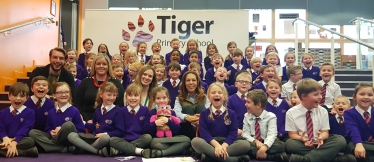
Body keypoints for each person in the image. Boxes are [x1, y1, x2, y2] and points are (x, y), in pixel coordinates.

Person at [285, 78, 355, 162]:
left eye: (320, 94)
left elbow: (325, 132)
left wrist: (321, 137)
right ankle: (332, 158)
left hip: (321, 144)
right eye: (316, 94)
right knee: (290, 144)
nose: (320, 97)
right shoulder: (291, 112)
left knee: (340, 140)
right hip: (302, 143)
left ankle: (305, 159)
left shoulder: (322, 111)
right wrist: (301, 138)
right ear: (303, 96)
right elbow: (292, 134)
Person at [191, 83, 251, 162]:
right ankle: (235, 159)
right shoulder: (204, 113)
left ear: (225, 97)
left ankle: (210, 157)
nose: (216, 94)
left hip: (227, 143)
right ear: (209, 97)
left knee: (245, 145)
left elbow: (233, 133)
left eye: (219, 92)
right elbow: (204, 132)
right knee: (195, 141)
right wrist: (216, 145)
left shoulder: (231, 113)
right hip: (210, 143)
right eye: (213, 93)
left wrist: (223, 146)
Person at [67, 82, 123, 156]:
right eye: (109, 95)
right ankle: (96, 151)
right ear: (101, 95)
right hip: (93, 137)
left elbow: (120, 131)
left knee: (105, 138)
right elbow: (94, 126)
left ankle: (83, 148)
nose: (112, 98)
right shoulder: (98, 110)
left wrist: (105, 134)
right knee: (71, 135)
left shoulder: (118, 111)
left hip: (104, 139)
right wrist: (83, 122)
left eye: (114, 95)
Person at [29, 82, 85, 153]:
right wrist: (51, 132)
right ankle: (60, 148)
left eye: (67, 92)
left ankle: (51, 147)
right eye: (60, 93)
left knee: (68, 125)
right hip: (54, 139)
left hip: (68, 140)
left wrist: (62, 130)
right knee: (32, 132)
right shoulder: (51, 112)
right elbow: (48, 128)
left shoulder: (75, 111)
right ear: (54, 95)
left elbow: (81, 131)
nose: (64, 95)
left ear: (70, 94)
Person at [74, 54, 124, 121]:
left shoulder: (116, 83)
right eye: (98, 64)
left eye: (104, 64)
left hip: (109, 121)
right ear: (94, 65)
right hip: (87, 120)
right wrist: (87, 119)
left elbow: (120, 105)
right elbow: (77, 104)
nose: (101, 66)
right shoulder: (86, 82)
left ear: (108, 66)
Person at [144, 87, 191, 158]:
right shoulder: (151, 113)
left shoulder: (172, 112)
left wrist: (169, 121)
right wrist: (155, 123)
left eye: (164, 98)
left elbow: (178, 130)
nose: (161, 100)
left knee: (187, 140)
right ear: (154, 100)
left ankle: (162, 153)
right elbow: (145, 130)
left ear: (168, 99)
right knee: (155, 144)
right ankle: (180, 150)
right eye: (158, 98)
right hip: (158, 140)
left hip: (172, 139)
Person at [243, 90, 288, 161]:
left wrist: (264, 147)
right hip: (254, 143)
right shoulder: (247, 116)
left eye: (248, 102)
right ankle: (271, 156)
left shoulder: (271, 116)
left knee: (281, 145)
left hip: (267, 141)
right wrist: (255, 141)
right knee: (244, 144)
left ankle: (257, 154)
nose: (245, 104)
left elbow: (272, 134)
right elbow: (245, 134)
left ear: (258, 105)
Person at [109, 84, 152, 158]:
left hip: (139, 139)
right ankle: (139, 151)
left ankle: (121, 150)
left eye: (136, 95)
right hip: (124, 139)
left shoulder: (145, 110)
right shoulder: (121, 111)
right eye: (130, 95)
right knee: (112, 140)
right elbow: (120, 130)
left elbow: (146, 128)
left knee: (148, 137)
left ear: (140, 97)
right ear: (126, 97)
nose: (133, 98)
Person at [0, 82, 37, 158]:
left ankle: (7, 150)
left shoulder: (30, 112)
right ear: (9, 96)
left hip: (20, 140)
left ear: (27, 98)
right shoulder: (2, 113)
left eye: (22, 96)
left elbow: (25, 128)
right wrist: (5, 138)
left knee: (30, 141)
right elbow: (1, 128)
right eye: (15, 95)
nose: (18, 98)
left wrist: (14, 142)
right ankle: (23, 152)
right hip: (5, 140)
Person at [174, 71, 211, 140]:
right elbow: (176, 113)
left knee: (200, 107)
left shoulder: (205, 97)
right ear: (184, 83)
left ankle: (202, 138)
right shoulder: (179, 99)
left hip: (203, 127)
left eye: (193, 80)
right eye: (188, 80)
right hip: (187, 130)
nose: (191, 83)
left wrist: (200, 118)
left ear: (198, 82)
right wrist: (187, 117)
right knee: (187, 109)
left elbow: (209, 111)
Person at [344, 83, 374, 161]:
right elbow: (352, 129)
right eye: (362, 94)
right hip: (356, 144)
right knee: (354, 148)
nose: (366, 97)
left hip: (371, 146)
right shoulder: (349, 113)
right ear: (354, 97)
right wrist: (358, 143)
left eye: (370, 95)